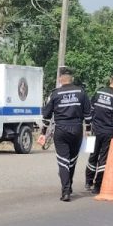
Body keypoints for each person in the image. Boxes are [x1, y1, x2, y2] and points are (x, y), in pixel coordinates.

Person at [40, 66, 91, 201]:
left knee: (63, 162)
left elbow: (46, 116)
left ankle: (66, 191)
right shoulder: (81, 92)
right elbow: (88, 114)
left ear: (60, 79)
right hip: (77, 130)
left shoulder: (55, 94)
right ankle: (69, 186)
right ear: (71, 78)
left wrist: (43, 133)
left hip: (61, 130)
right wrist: (88, 131)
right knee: (72, 161)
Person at [86, 73, 113, 194]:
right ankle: (97, 187)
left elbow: (90, 110)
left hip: (94, 130)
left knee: (92, 156)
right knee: (104, 159)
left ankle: (88, 182)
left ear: (110, 80)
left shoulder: (99, 92)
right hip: (109, 133)